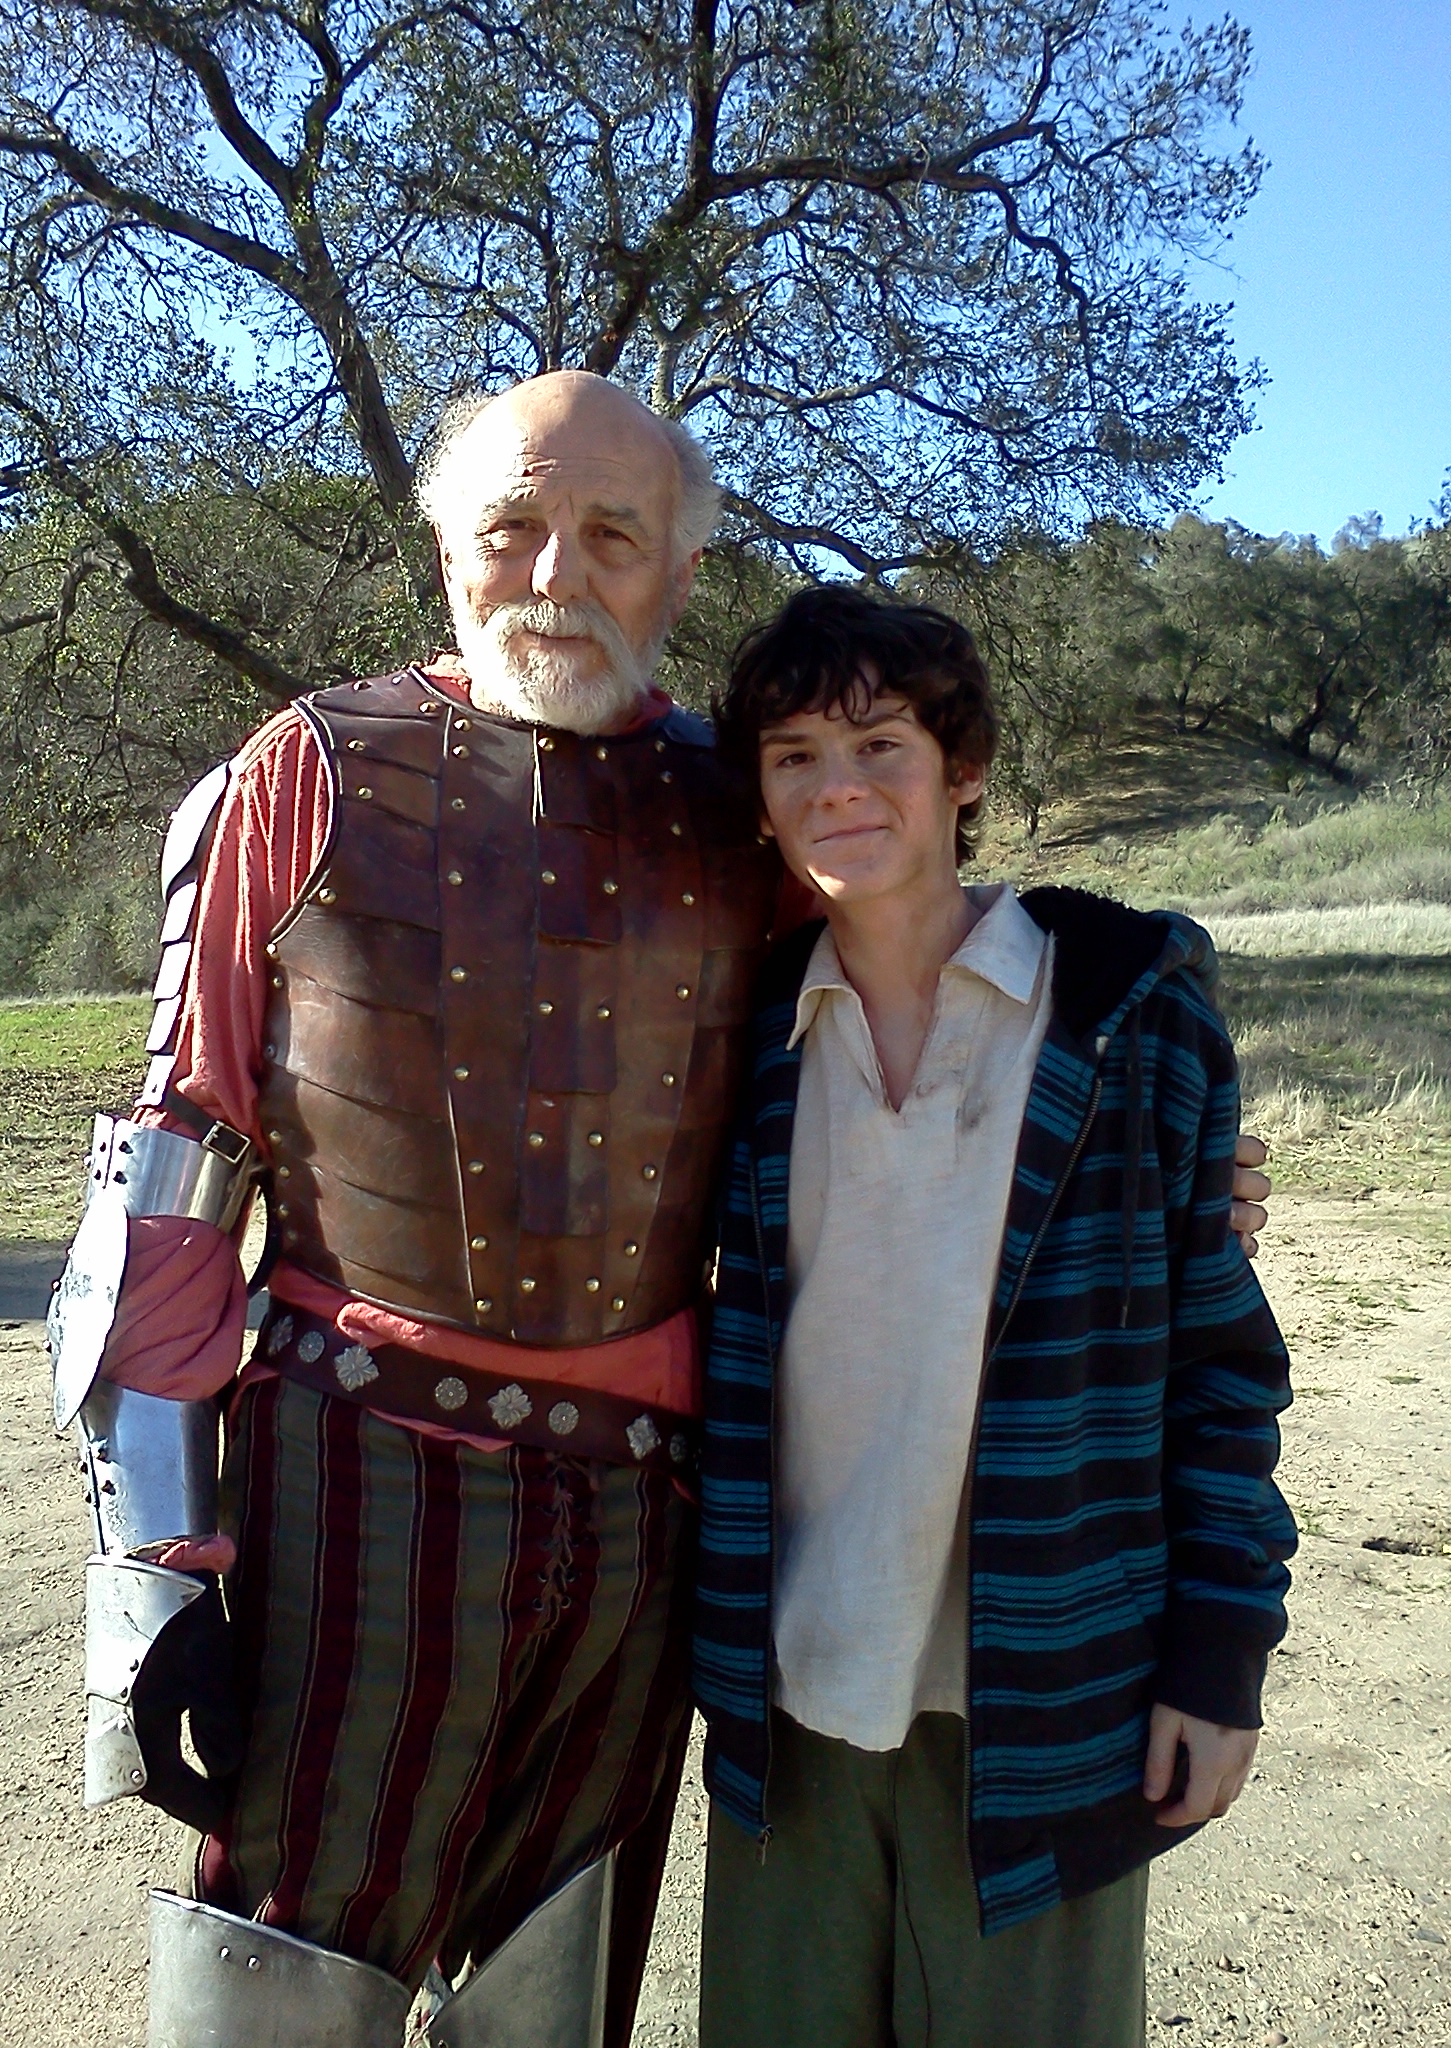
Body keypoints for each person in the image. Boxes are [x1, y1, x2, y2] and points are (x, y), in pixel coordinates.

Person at [46, 375, 1273, 2048]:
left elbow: (913, 924)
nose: (557, 570)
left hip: (648, 1518)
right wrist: (157, 1578)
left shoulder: (734, 804)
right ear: (444, 551)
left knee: (559, 1980)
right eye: (512, 527)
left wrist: (1162, 1128)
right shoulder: (304, 773)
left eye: (613, 533)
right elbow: (173, 1173)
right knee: (287, 1959)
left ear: (679, 575)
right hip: (354, 1473)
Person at [693, 586, 1297, 2048]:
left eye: (879, 743)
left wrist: (1220, 1663)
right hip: (791, 1693)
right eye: (791, 757)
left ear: (962, 771)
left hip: (1048, 1690)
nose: (837, 786)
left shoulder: (1125, 1016)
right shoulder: (738, 1044)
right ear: (759, 802)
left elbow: (1221, 1372)